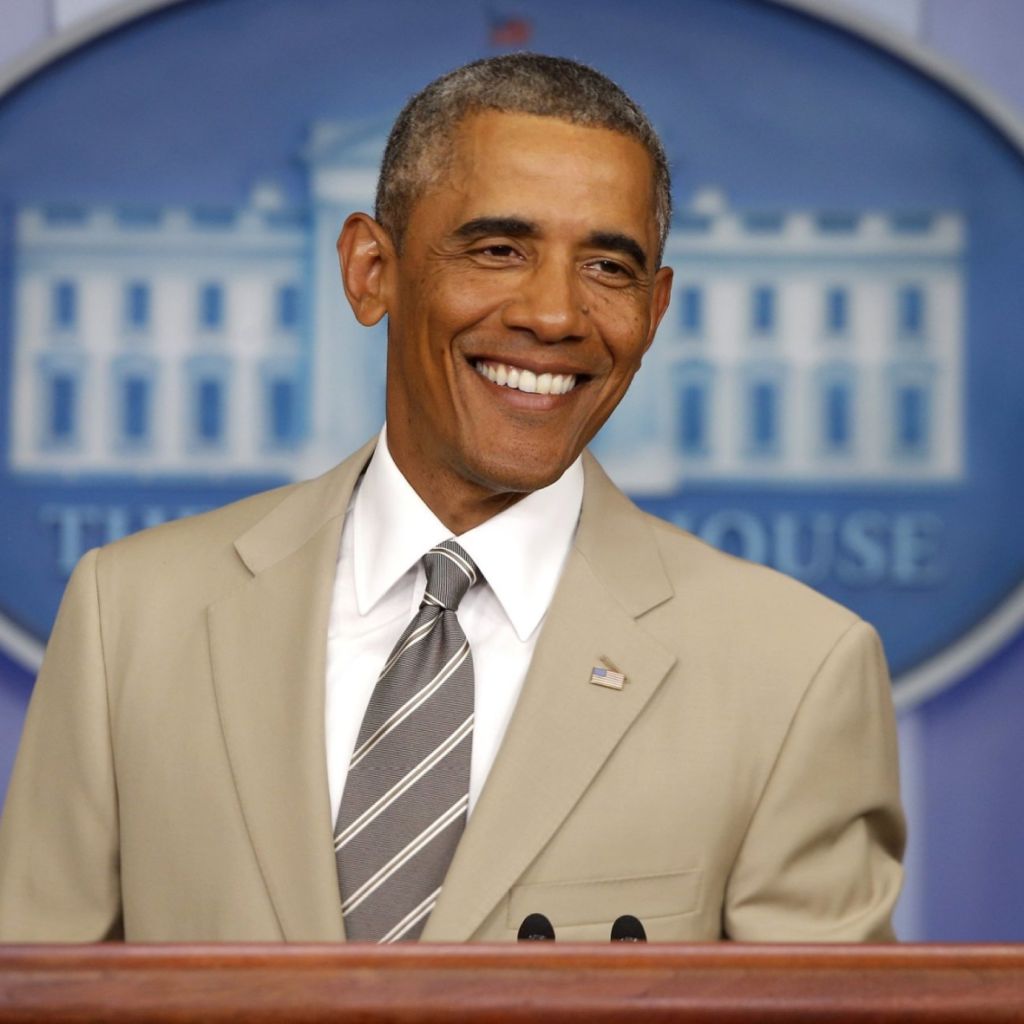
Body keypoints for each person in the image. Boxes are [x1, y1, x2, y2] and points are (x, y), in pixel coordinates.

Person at [0, 54, 904, 943]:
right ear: (371, 270)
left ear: (655, 311)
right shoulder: (129, 616)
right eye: (499, 250)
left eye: (607, 268)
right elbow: (35, 992)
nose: (555, 315)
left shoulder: (798, 672)